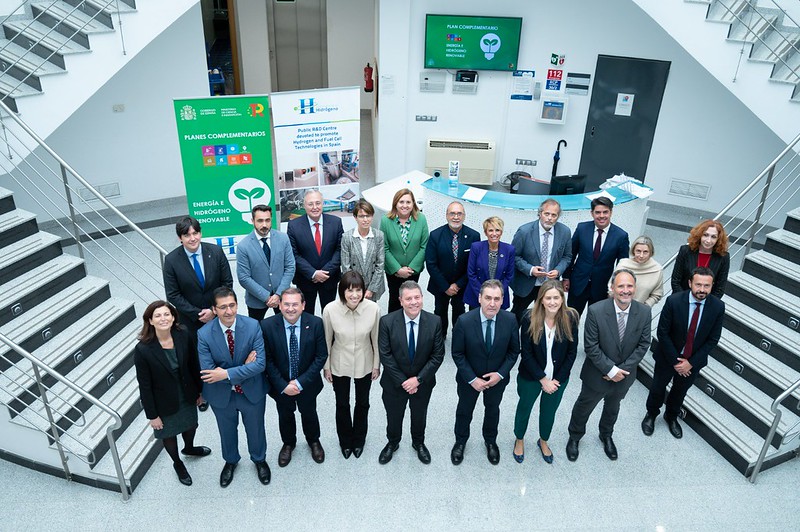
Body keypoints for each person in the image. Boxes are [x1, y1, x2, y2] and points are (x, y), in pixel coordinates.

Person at [566, 269, 651, 462]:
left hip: (624, 377)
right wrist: (611, 370)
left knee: (613, 407)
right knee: (584, 407)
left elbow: (644, 344)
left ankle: (606, 434)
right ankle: (575, 436)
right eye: (620, 286)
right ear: (612, 288)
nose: (625, 290)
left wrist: (621, 371)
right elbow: (591, 346)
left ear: (635, 288)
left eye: (629, 286)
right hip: (597, 375)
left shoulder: (644, 312)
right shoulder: (596, 311)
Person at [197, 287, 270, 487]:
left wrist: (226, 373)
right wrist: (244, 368)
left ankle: (259, 459)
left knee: (256, 429)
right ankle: (230, 461)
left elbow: (260, 364)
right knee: (226, 431)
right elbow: (208, 373)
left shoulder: (253, 326)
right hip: (221, 395)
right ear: (214, 309)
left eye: (232, 305)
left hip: (252, 392)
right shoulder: (204, 334)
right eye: (222, 307)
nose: (228, 311)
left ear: (237, 305)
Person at [134, 300, 210, 486]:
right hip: (163, 400)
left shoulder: (183, 334)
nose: (163, 318)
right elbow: (144, 386)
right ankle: (177, 463)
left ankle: (189, 448)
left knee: (191, 425)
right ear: (150, 321)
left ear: (173, 316)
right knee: (169, 434)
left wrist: (199, 392)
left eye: (167, 314)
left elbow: (194, 364)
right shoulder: (143, 349)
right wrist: (152, 415)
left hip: (186, 391)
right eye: (158, 315)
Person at [643, 267, 725, 438]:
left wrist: (690, 363)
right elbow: (662, 333)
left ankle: (671, 416)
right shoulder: (673, 301)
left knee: (680, 391)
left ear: (712, 286)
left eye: (706, 286)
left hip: (692, 362)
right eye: (698, 284)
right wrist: (676, 361)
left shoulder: (718, 306)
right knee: (658, 388)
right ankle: (651, 414)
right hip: (668, 357)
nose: (702, 289)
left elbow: (713, 339)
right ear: (690, 283)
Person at [450, 280, 520, 466]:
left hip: (496, 380)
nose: (492, 303)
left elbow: (514, 352)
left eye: (497, 299)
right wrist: (472, 379)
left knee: (492, 409)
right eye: (488, 298)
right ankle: (460, 441)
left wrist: (500, 375)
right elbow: (457, 353)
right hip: (469, 380)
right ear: (479, 298)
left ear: (503, 300)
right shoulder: (464, 321)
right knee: (464, 410)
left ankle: (490, 440)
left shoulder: (510, 320)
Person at [377, 280, 444, 465]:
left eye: (417, 297)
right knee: (393, 416)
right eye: (408, 299)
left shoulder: (435, 321)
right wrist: (404, 382)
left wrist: (418, 380)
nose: (413, 302)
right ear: (400, 301)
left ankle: (418, 443)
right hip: (394, 384)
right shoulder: (387, 322)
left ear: (422, 298)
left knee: (419, 415)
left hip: (423, 383)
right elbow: (385, 355)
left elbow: (438, 355)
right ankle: (392, 442)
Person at [512, 280, 578, 464]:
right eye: (548, 298)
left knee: (549, 412)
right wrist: (542, 379)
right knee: (524, 407)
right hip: (531, 376)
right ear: (541, 299)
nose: (552, 302)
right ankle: (519, 438)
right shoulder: (528, 318)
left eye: (556, 298)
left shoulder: (570, 318)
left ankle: (543, 440)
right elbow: (526, 353)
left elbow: (572, 352)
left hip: (558, 378)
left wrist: (557, 379)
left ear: (562, 299)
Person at [261, 287, 328, 467]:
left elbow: (321, 356)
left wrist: (300, 382)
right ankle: (288, 443)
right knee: (285, 414)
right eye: (287, 304)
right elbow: (267, 360)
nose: (291, 309)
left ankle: (314, 441)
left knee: (309, 412)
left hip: (307, 383)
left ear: (303, 305)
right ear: (280, 306)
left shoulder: (315, 323)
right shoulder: (267, 326)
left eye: (295, 304)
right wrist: (284, 386)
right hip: (280, 385)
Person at [322, 271, 381, 459]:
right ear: (342, 291)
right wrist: (327, 366)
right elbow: (326, 340)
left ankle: (359, 439)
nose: (354, 295)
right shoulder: (330, 310)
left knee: (363, 403)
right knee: (342, 403)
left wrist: (376, 365)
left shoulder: (373, 309)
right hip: (340, 362)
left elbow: (376, 340)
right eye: (349, 291)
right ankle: (345, 441)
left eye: (358, 290)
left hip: (365, 362)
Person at [163, 216, 234, 340]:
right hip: (190, 322)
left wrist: (214, 310)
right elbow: (173, 294)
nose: (192, 238)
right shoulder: (171, 260)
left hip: (219, 315)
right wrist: (198, 314)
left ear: (200, 233)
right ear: (180, 238)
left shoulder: (216, 252)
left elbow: (226, 283)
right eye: (187, 235)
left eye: (195, 233)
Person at [510, 198, 573, 324]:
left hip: (549, 285)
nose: (550, 218)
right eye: (547, 214)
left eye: (554, 215)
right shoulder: (524, 231)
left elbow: (567, 256)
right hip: (526, 284)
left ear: (558, 216)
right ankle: (512, 343)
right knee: (517, 318)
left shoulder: (564, 232)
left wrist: (558, 270)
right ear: (540, 213)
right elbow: (514, 257)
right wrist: (531, 269)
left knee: (547, 320)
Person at [563, 197, 629, 315]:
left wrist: (616, 288)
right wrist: (566, 277)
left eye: (605, 212)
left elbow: (622, 266)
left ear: (611, 212)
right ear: (592, 213)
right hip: (578, 284)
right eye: (597, 212)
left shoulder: (621, 236)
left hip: (602, 288)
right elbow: (571, 254)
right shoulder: (582, 228)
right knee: (570, 319)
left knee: (595, 323)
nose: (601, 216)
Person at [425, 201, 481, 336]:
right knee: (439, 311)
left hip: (462, 285)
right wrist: (445, 286)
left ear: (464, 216)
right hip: (440, 284)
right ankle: (440, 335)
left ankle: (458, 336)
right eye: (452, 213)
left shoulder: (474, 236)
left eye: (459, 213)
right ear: (446, 215)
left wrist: (458, 284)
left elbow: (473, 265)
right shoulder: (435, 235)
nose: (456, 217)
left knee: (460, 311)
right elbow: (431, 264)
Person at [287, 189, 344, 315]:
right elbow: (293, 254)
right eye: (310, 204)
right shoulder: (293, 225)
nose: (315, 207)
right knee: (306, 316)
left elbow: (340, 250)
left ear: (323, 204)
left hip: (329, 279)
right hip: (306, 280)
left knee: (330, 315)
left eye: (318, 203)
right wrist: (313, 273)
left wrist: (324, 272)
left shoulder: (336, 222)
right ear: (304, 205)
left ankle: (328, 336)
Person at [236, 204, 296, 320]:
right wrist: (266, 297)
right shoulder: (243, 246)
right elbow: (244, 278)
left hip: (282, 296)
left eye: (267, 220)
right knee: (256, 332)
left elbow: (290, 267)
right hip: (256, 300)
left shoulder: (283, 238)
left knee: (283, 330)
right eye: (260, 221)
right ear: (252, 221)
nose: (264, 225)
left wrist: (278, 294)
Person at [380, 188, 429, 314]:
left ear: (413, 204)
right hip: (393, 272)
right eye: (401, 202)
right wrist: (397, 269)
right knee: (395, 299)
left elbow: (424, 246)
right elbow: (384, 247)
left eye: (408, 202)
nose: (405, 205)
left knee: (412, 300)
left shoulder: (421, 219)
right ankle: (393, 330)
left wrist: (411, 268)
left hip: (413, 271)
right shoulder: (386, 220)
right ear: (395, 203)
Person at [463, 216, 515, 310]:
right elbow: (471, 273)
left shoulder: (509, 250)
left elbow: (509, 276)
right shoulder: (476, 247)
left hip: (499, 297)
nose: (494, 234)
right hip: (477, 296)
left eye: (497, 230)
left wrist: (497, 294)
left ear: (501, 232)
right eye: (490, 230)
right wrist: (483, 294)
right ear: (485, 232)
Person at [340, 199, 385, 302]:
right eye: (361, 216)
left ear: (372, 216)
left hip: (373, 287)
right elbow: (346, 267)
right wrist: (356, 290)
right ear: (355, 218)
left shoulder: (379, 236)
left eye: (368, 215)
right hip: (353, 289)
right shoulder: (347, 237)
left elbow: (380, 265)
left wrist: (371, 289)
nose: (365, 219)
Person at [671, 219, 730, 298]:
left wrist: (705, 304)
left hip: (706, 304)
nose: (708, 240)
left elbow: (720, 288)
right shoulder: (685, 251)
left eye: (713, 237)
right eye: (705, 235)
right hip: (681, 299)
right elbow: (675, 281)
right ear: (699, 235)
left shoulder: (723, 257)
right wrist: (685, 301)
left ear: (718, 239)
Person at [612, 235, 664, 307]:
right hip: (617, 307)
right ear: (633, 251)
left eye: (645, 252)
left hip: (640, 311)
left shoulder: (657, 270)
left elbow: (657, 294)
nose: (641, 255)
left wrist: (645, 307)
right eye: (638, 251)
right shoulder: (623, 264)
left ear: (651, 253)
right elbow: (611, 288)